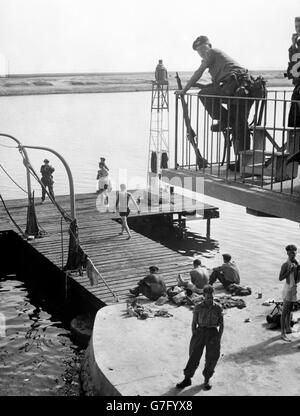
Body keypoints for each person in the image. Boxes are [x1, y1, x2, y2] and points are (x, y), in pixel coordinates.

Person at [176, 35, 254, 170]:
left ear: (209, 46)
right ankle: (242, 162)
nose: (202, 51)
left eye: (203, 48)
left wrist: (184, 90)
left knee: (238, 123)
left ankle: (225, 119)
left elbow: (199, 72)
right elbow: (215, 83)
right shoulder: (216, 61)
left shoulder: (212, 53)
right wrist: (200, 85)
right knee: (240, 124)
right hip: (240, 86)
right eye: (199, 50)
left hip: (237, 86)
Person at [176, 284, 223, 391]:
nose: (210, 300)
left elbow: (222, 324)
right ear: (203, 297)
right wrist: (194, 335)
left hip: (213, 333)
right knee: (194, 356)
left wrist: (218, 338)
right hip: (200, 332)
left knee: (211, 358)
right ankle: (187, 379)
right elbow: (193, 323)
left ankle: (207, 379)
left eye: (211, 297)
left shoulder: (218, 308)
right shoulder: (198, 307)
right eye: (207, 298)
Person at [279, 244, 300, 342]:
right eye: (291, 252)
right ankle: (282, 333)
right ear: (287, 253)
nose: (293, 254)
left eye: (295, 252)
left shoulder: (296, 263)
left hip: (294, 288)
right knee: (284, 312)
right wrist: (290, 271)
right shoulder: (285, 264)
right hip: (288, 289)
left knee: (290, 310)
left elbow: (297, 279)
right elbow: (280, 278)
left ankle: (288, 328)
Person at [287, 17, 300, 127]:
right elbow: (293, 64)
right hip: (298, 88)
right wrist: (293, 44)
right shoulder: (296, 45)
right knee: (293, 122)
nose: (298, 29)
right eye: (296, 27)